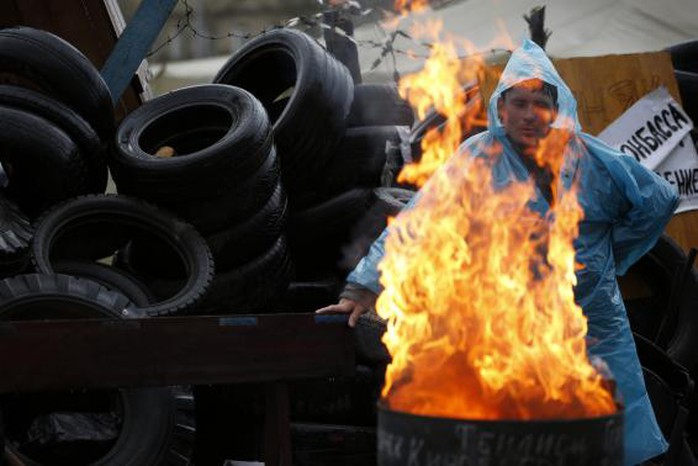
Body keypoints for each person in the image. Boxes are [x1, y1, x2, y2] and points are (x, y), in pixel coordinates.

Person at [317, 39, 679, 465]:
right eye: (519, 103)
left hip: (593, 319)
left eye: (539, 103)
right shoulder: (477, 158)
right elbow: (420, 222)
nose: (529, 114)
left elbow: (658, 199)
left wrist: (612, 255)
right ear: (501, 110)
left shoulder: (591, 157)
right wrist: (362, 288)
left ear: (555, 106)